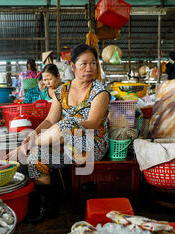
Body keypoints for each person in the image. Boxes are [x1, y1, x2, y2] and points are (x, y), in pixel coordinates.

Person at [7, 44, 110, 222]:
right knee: (36, 157)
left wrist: (65, 128)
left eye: (93, 63)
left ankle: (22, 148)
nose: (89, 68)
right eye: (83, 64)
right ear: (72, 66)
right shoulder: (62, 91)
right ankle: (48, 208)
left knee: (68, 123)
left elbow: (92, 124)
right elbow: (49, 120)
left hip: (92, 144)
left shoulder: (100, 92)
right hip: (62, 141)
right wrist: (33, 134)